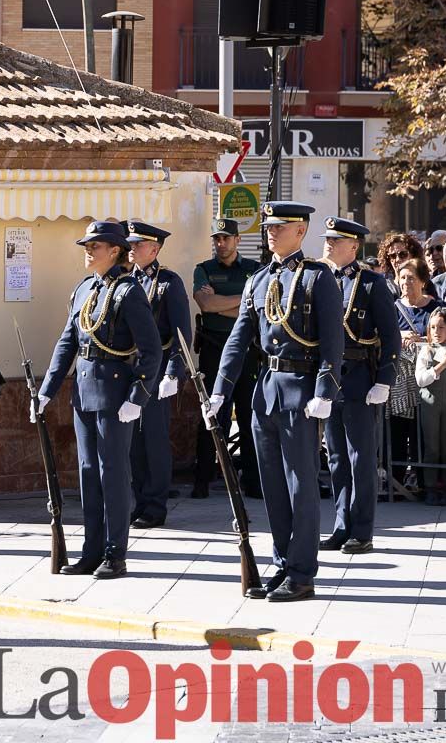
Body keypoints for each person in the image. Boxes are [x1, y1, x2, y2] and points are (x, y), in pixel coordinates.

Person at [204, 202, 343, 603]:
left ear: (300, 231)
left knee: (300, 487)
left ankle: (302, 573)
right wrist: (219, 390)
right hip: (265, 390)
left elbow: (334, 341)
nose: (270, 231)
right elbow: (239, 338)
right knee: (273, 488)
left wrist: (324, 390)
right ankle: (283, 563)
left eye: (279, 226)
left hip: (301, 389)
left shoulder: (318, 278)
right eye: (268, 226)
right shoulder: (258, 280)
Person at [32, 221, 161, 579]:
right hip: (85, 391)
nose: (89, 251)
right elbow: (67, 344)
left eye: (96, 246)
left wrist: (138, 396)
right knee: (89, 474)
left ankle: (114, 553)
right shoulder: (85, 289)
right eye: (87, 245)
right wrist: (46, 390)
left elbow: (151, 351)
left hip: (116, 393)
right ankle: (91, 551)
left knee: (113, 475)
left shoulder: (129, 291)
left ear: (116, 250)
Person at [319, 217, 400, 554]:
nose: (327, 244)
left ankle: (362, 529)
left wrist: (384, 379)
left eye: (335, 241)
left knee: (360, 457)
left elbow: (391, 335)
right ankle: (342, 525)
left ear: (353, 247)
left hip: (359, 377)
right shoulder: (320, 279)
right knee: (336, 457)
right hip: (331, 380)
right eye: (327, 239)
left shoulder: (370, 284)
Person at [125, 221, 192, 529]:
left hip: (157, 368)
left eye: (138, 245)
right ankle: (139, 500)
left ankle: (155, 505)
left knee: (153, 439)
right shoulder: (124, 281)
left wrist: (174, 373)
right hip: (129, 369)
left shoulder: (168, 283)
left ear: (154, 249)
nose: (132, 249)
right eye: (131, 244)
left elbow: (180, 333)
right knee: (133, 442)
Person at [191, 218, 262, 499]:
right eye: (217, 239)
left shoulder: (253, 270)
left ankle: (252, 481)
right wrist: (241, 300)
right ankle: (202, 479)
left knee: (247, 414)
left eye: (226, 239)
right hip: (213, 348)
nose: (221, 244)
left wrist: (223, 303)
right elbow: (206, 304)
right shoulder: (204, 269)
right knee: (211, 414)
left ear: (237, 240)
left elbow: (256, 311)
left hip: (246, 349)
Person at [389, 258, 441, 492]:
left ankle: (426, 482)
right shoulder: (392, 307)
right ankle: (397, 481)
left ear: (423, 281)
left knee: (424, 434)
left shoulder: (435, 308)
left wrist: (421, 340)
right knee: (398, 431)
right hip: (400, 383)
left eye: (411, 278)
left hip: (429, 381)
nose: (406, 283)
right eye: (402, 278)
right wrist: (399, 337)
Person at [415, 307, 446, 505]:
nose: (436, 331)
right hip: (430, 404)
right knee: (432, 446)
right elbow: (420, 379)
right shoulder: (427, 350)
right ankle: (430, 486)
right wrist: (441, 365)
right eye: (433, 327)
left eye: (441, 327)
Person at [379, 232, 435, 299]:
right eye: (393, 256)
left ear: (413, 255)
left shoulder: (426, 283)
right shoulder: (384, 286)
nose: (397, 259)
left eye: (402, 254)